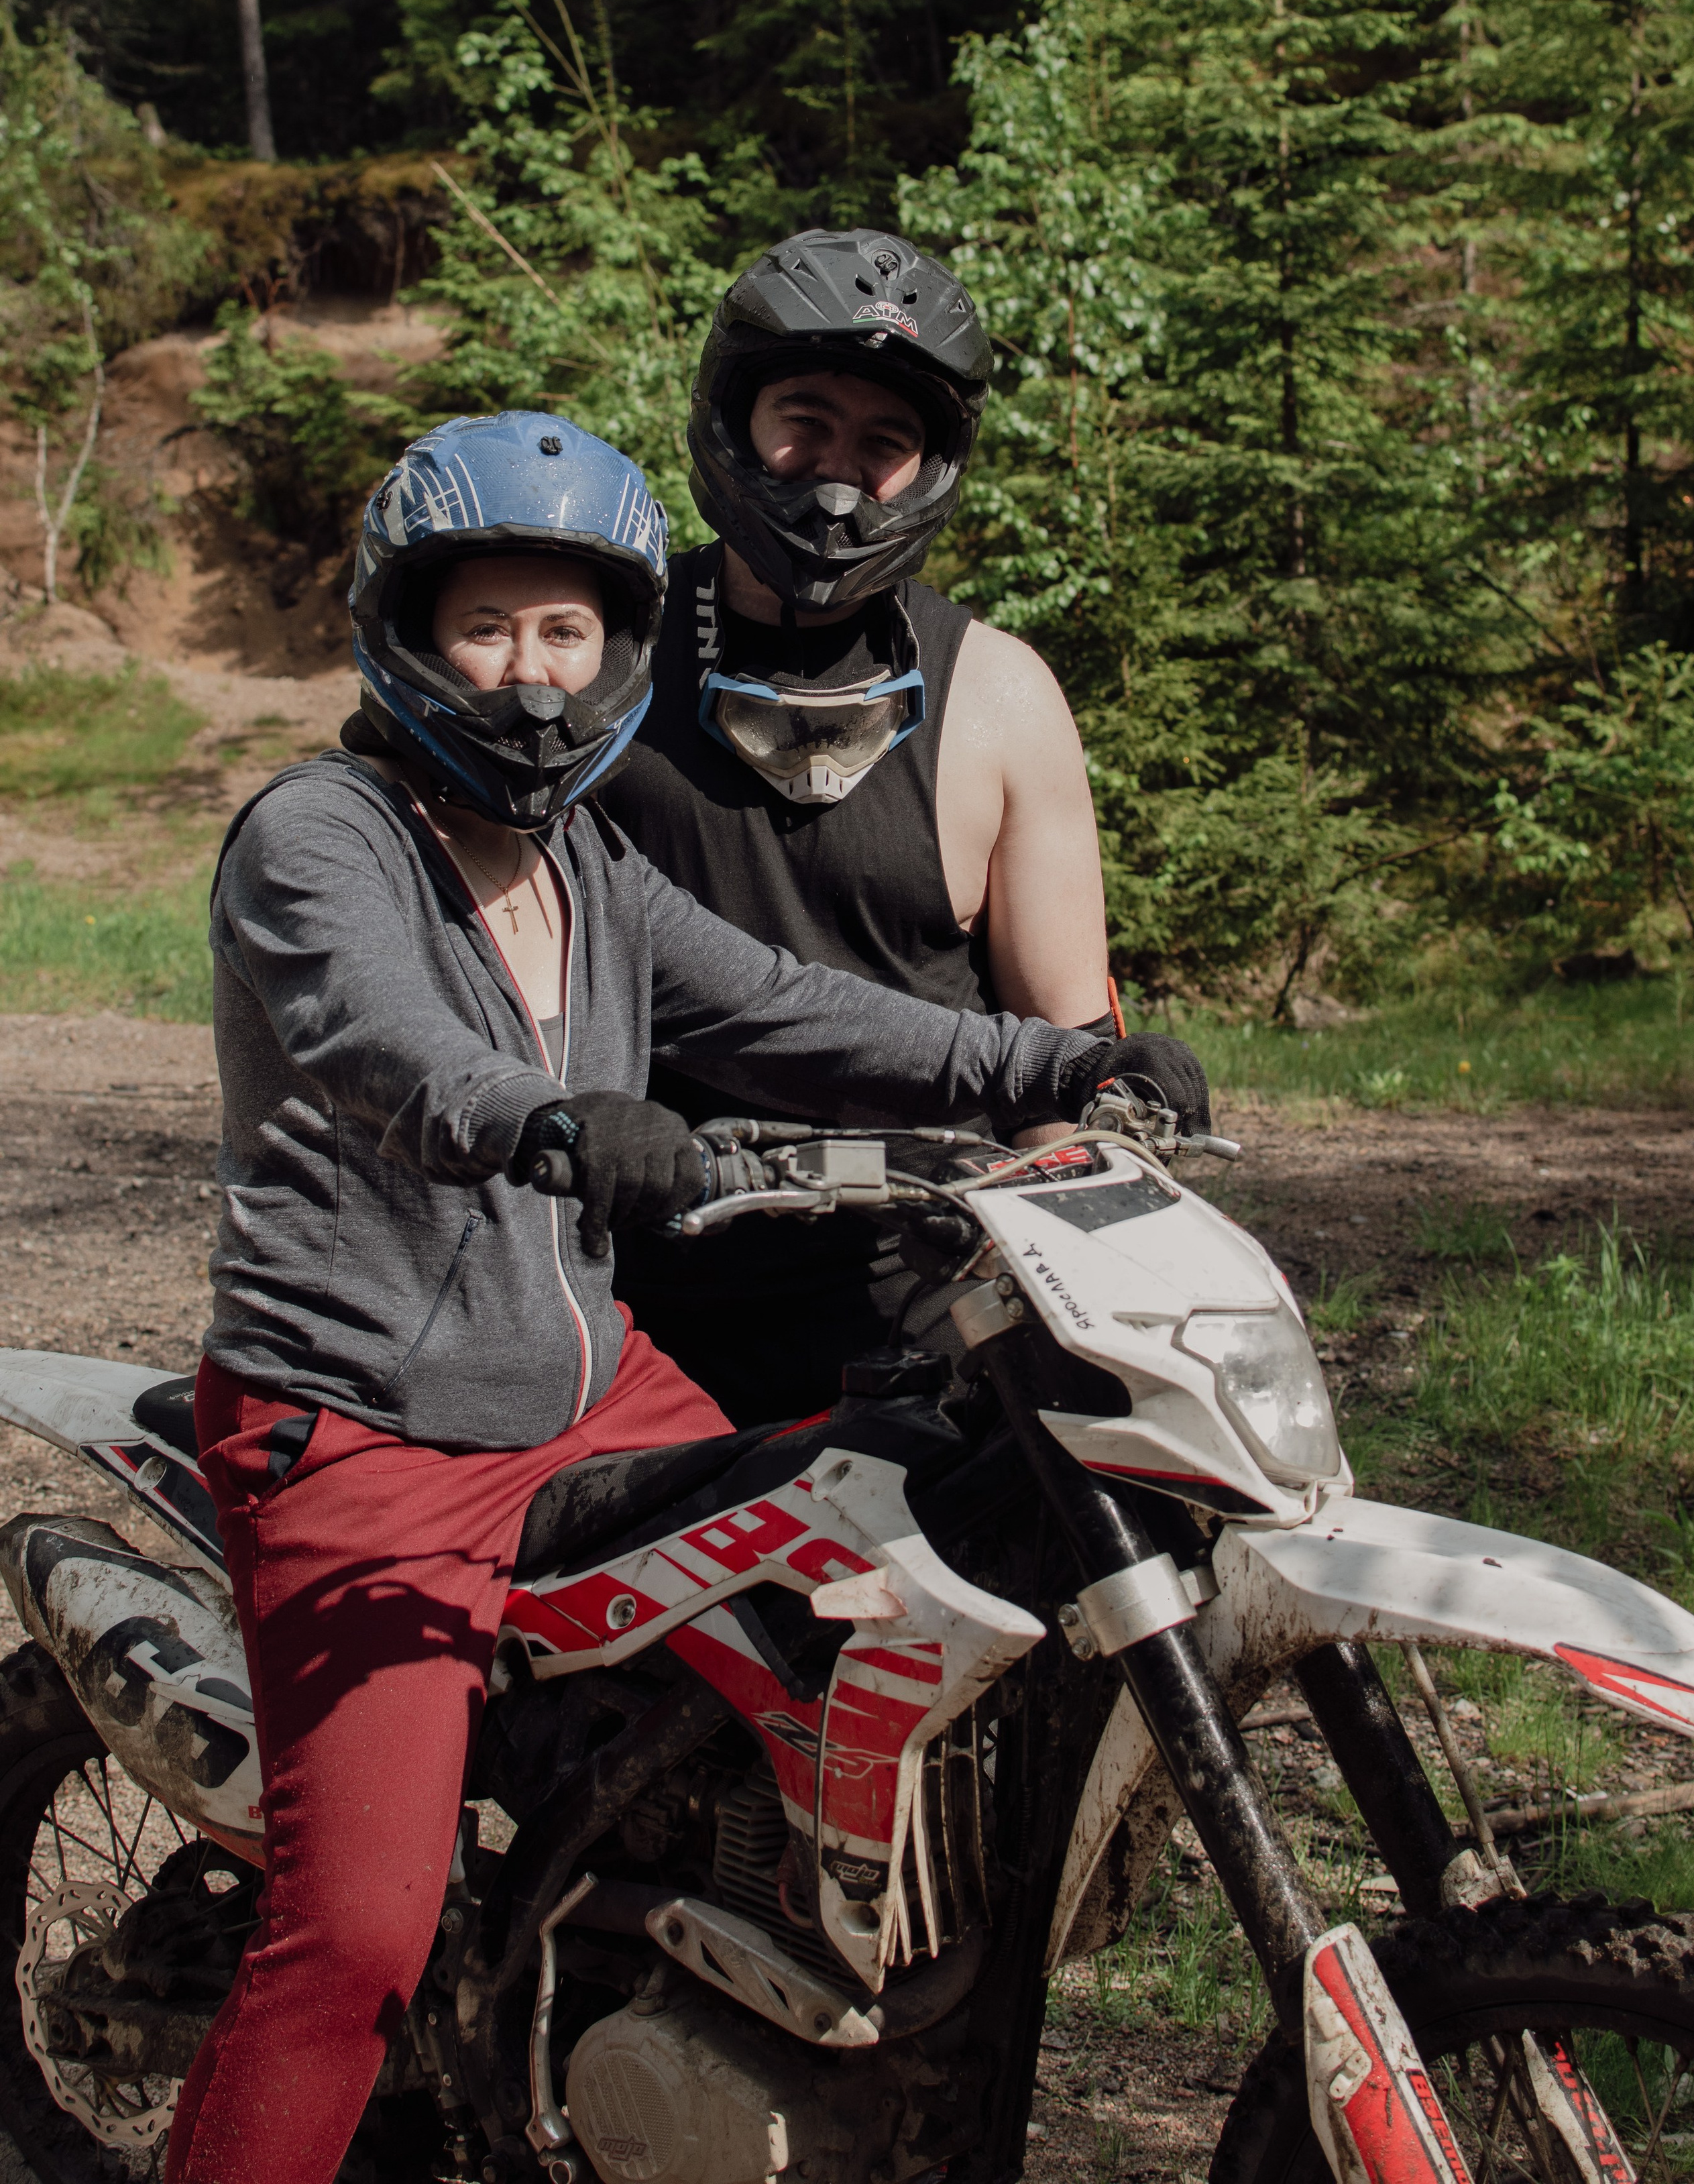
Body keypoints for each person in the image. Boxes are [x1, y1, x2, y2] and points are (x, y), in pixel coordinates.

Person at [167, 408, 1206, 2184]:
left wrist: (1060, 1059)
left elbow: (799, 1009)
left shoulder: (582, 860)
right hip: (364, 1433)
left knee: (851, 1590)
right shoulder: (317, 837)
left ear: (619, 649)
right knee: (351, 1942)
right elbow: (385, 1044)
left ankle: (649, 2009)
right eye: (486, 627)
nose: (531, 673)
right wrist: (552, 1118)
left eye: (566, 632)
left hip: (593, 1390)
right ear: (406, 631)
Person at [605, 227, 1115, 1424]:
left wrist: (1090, 1284)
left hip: (929, 1294)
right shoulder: (606, 662)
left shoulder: (999, 695)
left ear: (932, 465)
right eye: (807, 421)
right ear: (735, 417)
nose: (838, 476)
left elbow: (1067, 1057)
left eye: (885, 442)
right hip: (635, 1291)